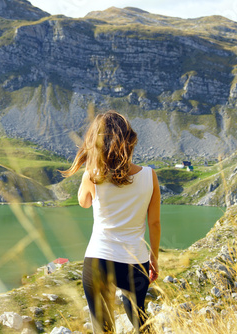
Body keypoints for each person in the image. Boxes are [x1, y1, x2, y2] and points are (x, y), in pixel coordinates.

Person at [62, 111, 161, 333]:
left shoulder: (92, 175)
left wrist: (90, 164)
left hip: (99, 258)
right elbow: (154, 223)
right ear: (129, 139)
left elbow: (83, 202)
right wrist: (154, 258)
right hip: (135, 260)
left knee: (103, 328)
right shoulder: (149, 176)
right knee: (141, 323)